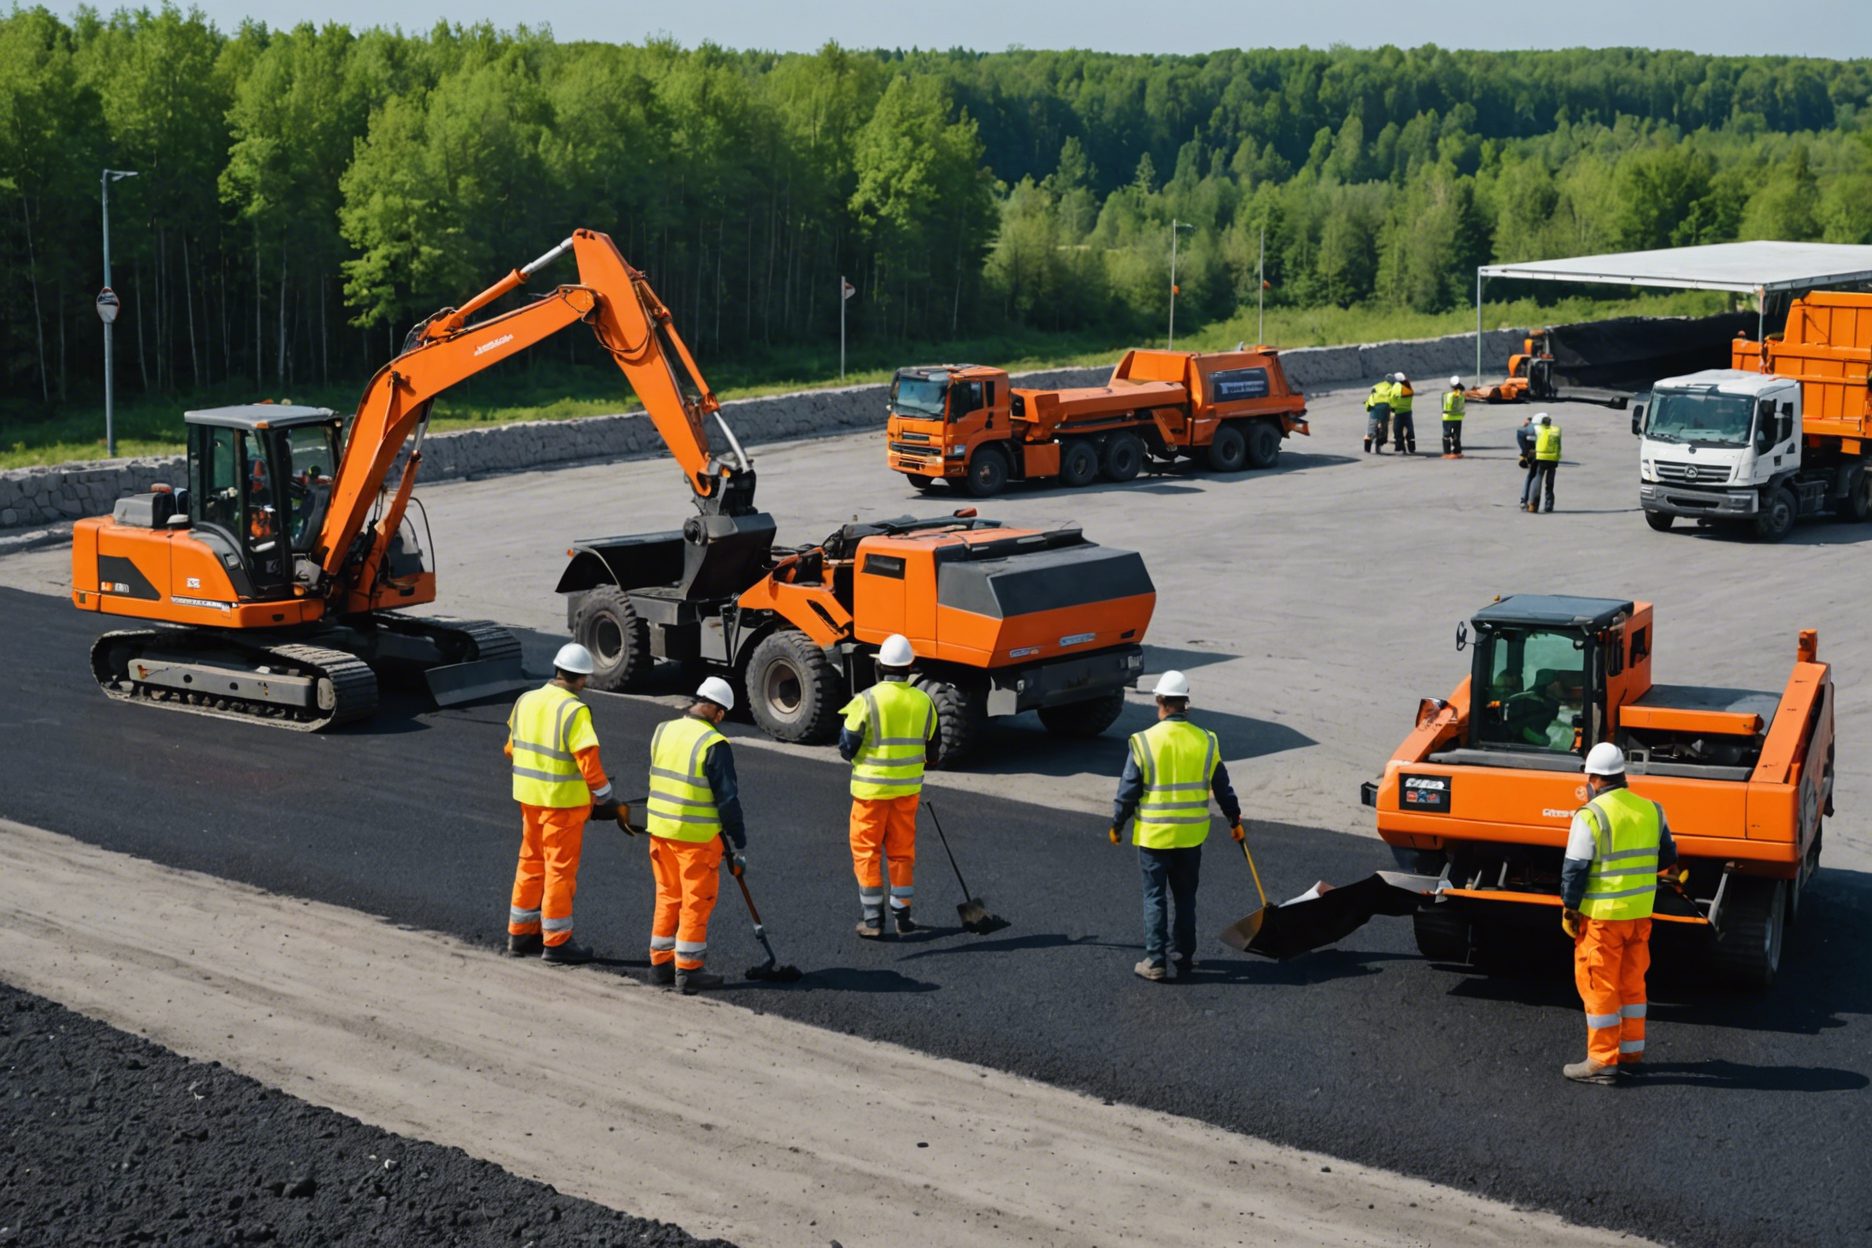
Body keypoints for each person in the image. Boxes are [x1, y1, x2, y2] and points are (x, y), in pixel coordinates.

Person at [1108, 671, 1244, 982]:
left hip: (1154, 837)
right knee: (1185, 898)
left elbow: (1128, 790)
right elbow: (1223, 787)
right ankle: (1184, 955)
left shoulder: (1144, 742)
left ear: (1159, 701)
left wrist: (1118, 824)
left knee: (1154, 897)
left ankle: (1155, 960)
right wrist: (1234, 821)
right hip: (1190, 837)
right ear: (1186, 704)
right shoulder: (1206, 740)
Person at [1561, 743, 1677, 1084]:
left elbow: (1575, 871)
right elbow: (1667, 855)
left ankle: (1601, 1061)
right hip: (1640, 916)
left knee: (1600, 985)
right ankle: (1630, 1051)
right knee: (1631, 982)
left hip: (1602, 919)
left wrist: (1570, 909)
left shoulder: (1591, 815)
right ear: (1622, 776)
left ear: (1595, 779)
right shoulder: (1652, 810)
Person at [506, 642, 618, 966]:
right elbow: (588, 762)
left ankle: (520, 933)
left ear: (557, 669)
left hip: (529, 799)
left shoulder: (526, 700)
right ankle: (556, 942)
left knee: (530, 863)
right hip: (562, 806)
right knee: (559, 871)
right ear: (582, 678)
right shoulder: (574, 709)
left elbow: (511, 748)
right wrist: (606, 797)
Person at [645, 676, 747, 993]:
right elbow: (727, 799)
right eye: (722, 715)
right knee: (696, 902)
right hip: (695, 838)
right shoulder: (713, 743)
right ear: (716, 711)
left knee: (667, 896)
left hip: (659, 832)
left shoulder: (663, 730)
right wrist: (738, 839)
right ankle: (688, 969)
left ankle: (661, 964)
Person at [839, 634, 939, 938]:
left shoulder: (866, 700)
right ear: (910, 667)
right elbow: (933, 752)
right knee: (902, 852)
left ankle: (872, 920)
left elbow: (847, 747)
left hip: (870, 793)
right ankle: (902, 915)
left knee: (867, 852)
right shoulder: (924, 701)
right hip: (907, 792)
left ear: (880, 666)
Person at [1528, 412, 1561, 513]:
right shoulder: (1557, 430)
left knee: (1538, 479)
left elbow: (1529, 434)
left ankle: (1534, 503)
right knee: (1550, 483)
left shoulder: (1539, 429)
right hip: (1553, 458)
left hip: (1541, 457)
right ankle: (1549, 504)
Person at [1363, 377, 1392, 454]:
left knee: (1371, 423)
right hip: (1385, 405)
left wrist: (1368, 407)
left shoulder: (1376, 385)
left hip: (1374, 405)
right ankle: (1381, 439)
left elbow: (1371, 397)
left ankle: (1368, 439)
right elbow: (1393, 398)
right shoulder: (1391, 386)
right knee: (1384, 423)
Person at [1515, 414, 1539, 508]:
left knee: (1531, 477)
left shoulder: (1527, 429)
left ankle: (1524, 500)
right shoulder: (1551, 431)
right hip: (1545, 456)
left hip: (1536, 453)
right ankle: (1531, 502)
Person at [1390, 373, 1417, 455]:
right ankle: (1411, 447)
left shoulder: (1396, 387)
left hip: (1398, 412)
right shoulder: (1408, 385)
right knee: (1409, 429)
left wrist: (1392, 408)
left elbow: (1392, 398)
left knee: (1397, 430)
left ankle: (1400, 448)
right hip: (1408, 411)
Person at [1440, 375, 1466, 458]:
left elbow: (1445, 405)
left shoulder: (1448, 395)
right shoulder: (1461, 395)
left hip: (1448, 418)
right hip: (1458, 418)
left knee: (1447, 435)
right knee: (1456, 435)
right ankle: (1457, 452)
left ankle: (1447, 452)